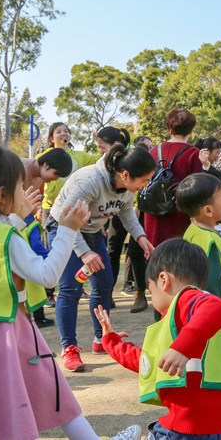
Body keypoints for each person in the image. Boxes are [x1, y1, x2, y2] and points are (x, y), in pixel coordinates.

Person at [0, 143, 140, 440]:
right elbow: (47, 274)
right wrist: (67, 229)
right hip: (6, 332)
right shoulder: (6, 237)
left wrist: (16, 218)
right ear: (1, 195)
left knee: (45, 388)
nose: (29, 189)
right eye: (20, 185)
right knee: (38, 393)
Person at [95, 239, 221, 439]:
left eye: (150, 289)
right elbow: (148, 362)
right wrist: (111, 343)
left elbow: (218, 307)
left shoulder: (187, 300)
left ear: (163, 280)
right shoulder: (180, 320)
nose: (152, 297)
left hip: (187, 428)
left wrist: (181, 348)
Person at [49, 142, 156, 372]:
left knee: (105, 282)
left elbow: (126, 211)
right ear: (125, 175)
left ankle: (102, 339)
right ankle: (69, 347)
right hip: (64, 229)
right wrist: (84, 253)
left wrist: (141, 237)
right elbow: (65, 219)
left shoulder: (127, 188)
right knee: (70, 289)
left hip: (92, 232)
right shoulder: (89, 181)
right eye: (144, 180)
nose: (145, 185)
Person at [177, 173, 221, 347]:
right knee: (219, 347)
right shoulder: (209, 240)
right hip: (214, 308)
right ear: (208, 210)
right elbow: (211, 279)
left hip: (202, 306)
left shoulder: (194, 230)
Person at [21, 149, 72, 328]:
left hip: (27, 225)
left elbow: (35, 204)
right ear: (45, 164)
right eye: (56, 174)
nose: (55, 179)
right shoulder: (19, 168)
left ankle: (34, 316)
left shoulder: (39, 179)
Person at [143, 109, 204, 259]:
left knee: (156, 262)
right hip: (180, 214)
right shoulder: (193, 153)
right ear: (191, 130)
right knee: (179, 262)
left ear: (170, 130)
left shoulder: (153, 150)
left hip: (153, 214)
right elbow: (196, 188)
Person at [93, 126, 132, 309]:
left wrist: (140, 234)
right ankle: (106, 297)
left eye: (102, 146)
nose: (100, 151)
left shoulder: (128, 164)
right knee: (112, 251)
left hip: (123, 210)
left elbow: (127, 208)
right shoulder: (95, 175)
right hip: (91, 223)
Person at [39, 122, 99, 227]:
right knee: (50, 242)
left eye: (66, 131)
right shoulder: (44, 156)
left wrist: (99, 142)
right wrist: (37, 208)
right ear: (52, 139)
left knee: (70, 241)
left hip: (72, 209)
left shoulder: (80, 156)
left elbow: (100, 159)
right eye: (58, 132)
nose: (63, 133)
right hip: (49, 208)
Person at [122, 135, 155, 313]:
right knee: (135, 252)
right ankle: (139, 294)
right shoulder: (126, 174)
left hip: (156, 212)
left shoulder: (154, 169)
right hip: (139, 213)